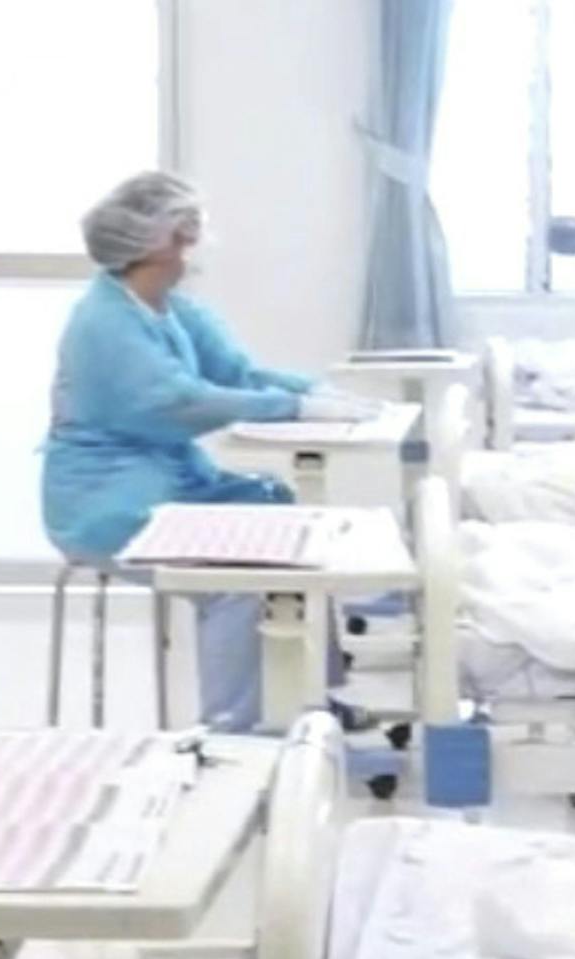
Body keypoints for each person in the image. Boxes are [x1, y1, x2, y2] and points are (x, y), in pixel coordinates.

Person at [42, 171, 371, 733]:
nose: (195, 242)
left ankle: (312, 696)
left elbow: (235, 373)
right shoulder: (104, 323)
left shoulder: (167, 308)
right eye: (184, 230)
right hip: (109, 505)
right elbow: (180, 401)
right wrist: (289, 411)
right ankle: (235, 734)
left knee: (284, 515)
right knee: (235, 578)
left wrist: (310, 392)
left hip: (172, 483)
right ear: (151, 244)